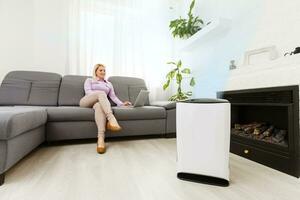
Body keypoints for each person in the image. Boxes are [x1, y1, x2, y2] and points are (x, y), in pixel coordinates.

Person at [79, 64, 132, 154]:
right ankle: (111, 119)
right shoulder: (90, 80)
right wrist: (100, 95)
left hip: (98, 104)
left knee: (99, 106)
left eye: (104, 70)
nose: (103, 72)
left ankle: (101, 139)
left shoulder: (108, 84)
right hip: (86, 101)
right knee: (101, 93)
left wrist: (122, 104)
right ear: (96, 71)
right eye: (101, 70)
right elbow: (88, 92)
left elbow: (113, 97)